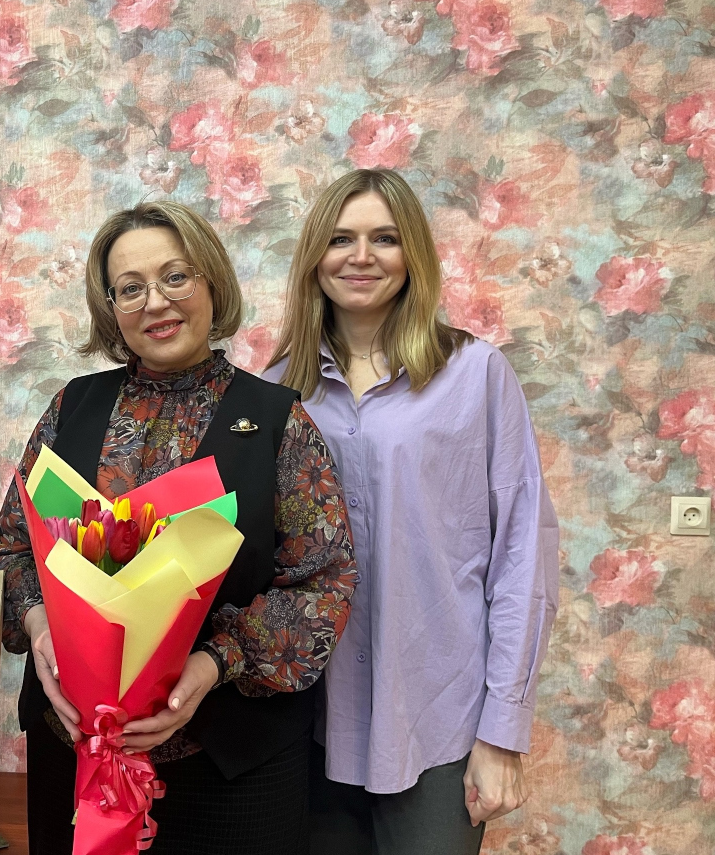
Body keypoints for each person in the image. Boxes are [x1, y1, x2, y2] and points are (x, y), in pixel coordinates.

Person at [0, 201, 358, 854]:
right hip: (75, 756)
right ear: (111, 308)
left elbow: (324, 584)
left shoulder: (277, 422)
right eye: (130, 288)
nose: (155, 302)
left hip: (232, 770)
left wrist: (215, 663)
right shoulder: (72, 407)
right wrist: (41, 629)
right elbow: (11, 550)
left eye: (176, 276)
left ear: (211, 282)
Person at [263, 168, 559, 854]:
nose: (361, 256)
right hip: (307, 725)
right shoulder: (275, 390)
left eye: (385, 238)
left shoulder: (477, 375)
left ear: (413, 254)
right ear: (315, 255)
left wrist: (502, 731)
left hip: (437, 722)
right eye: (341, 238)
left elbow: (523, 556)